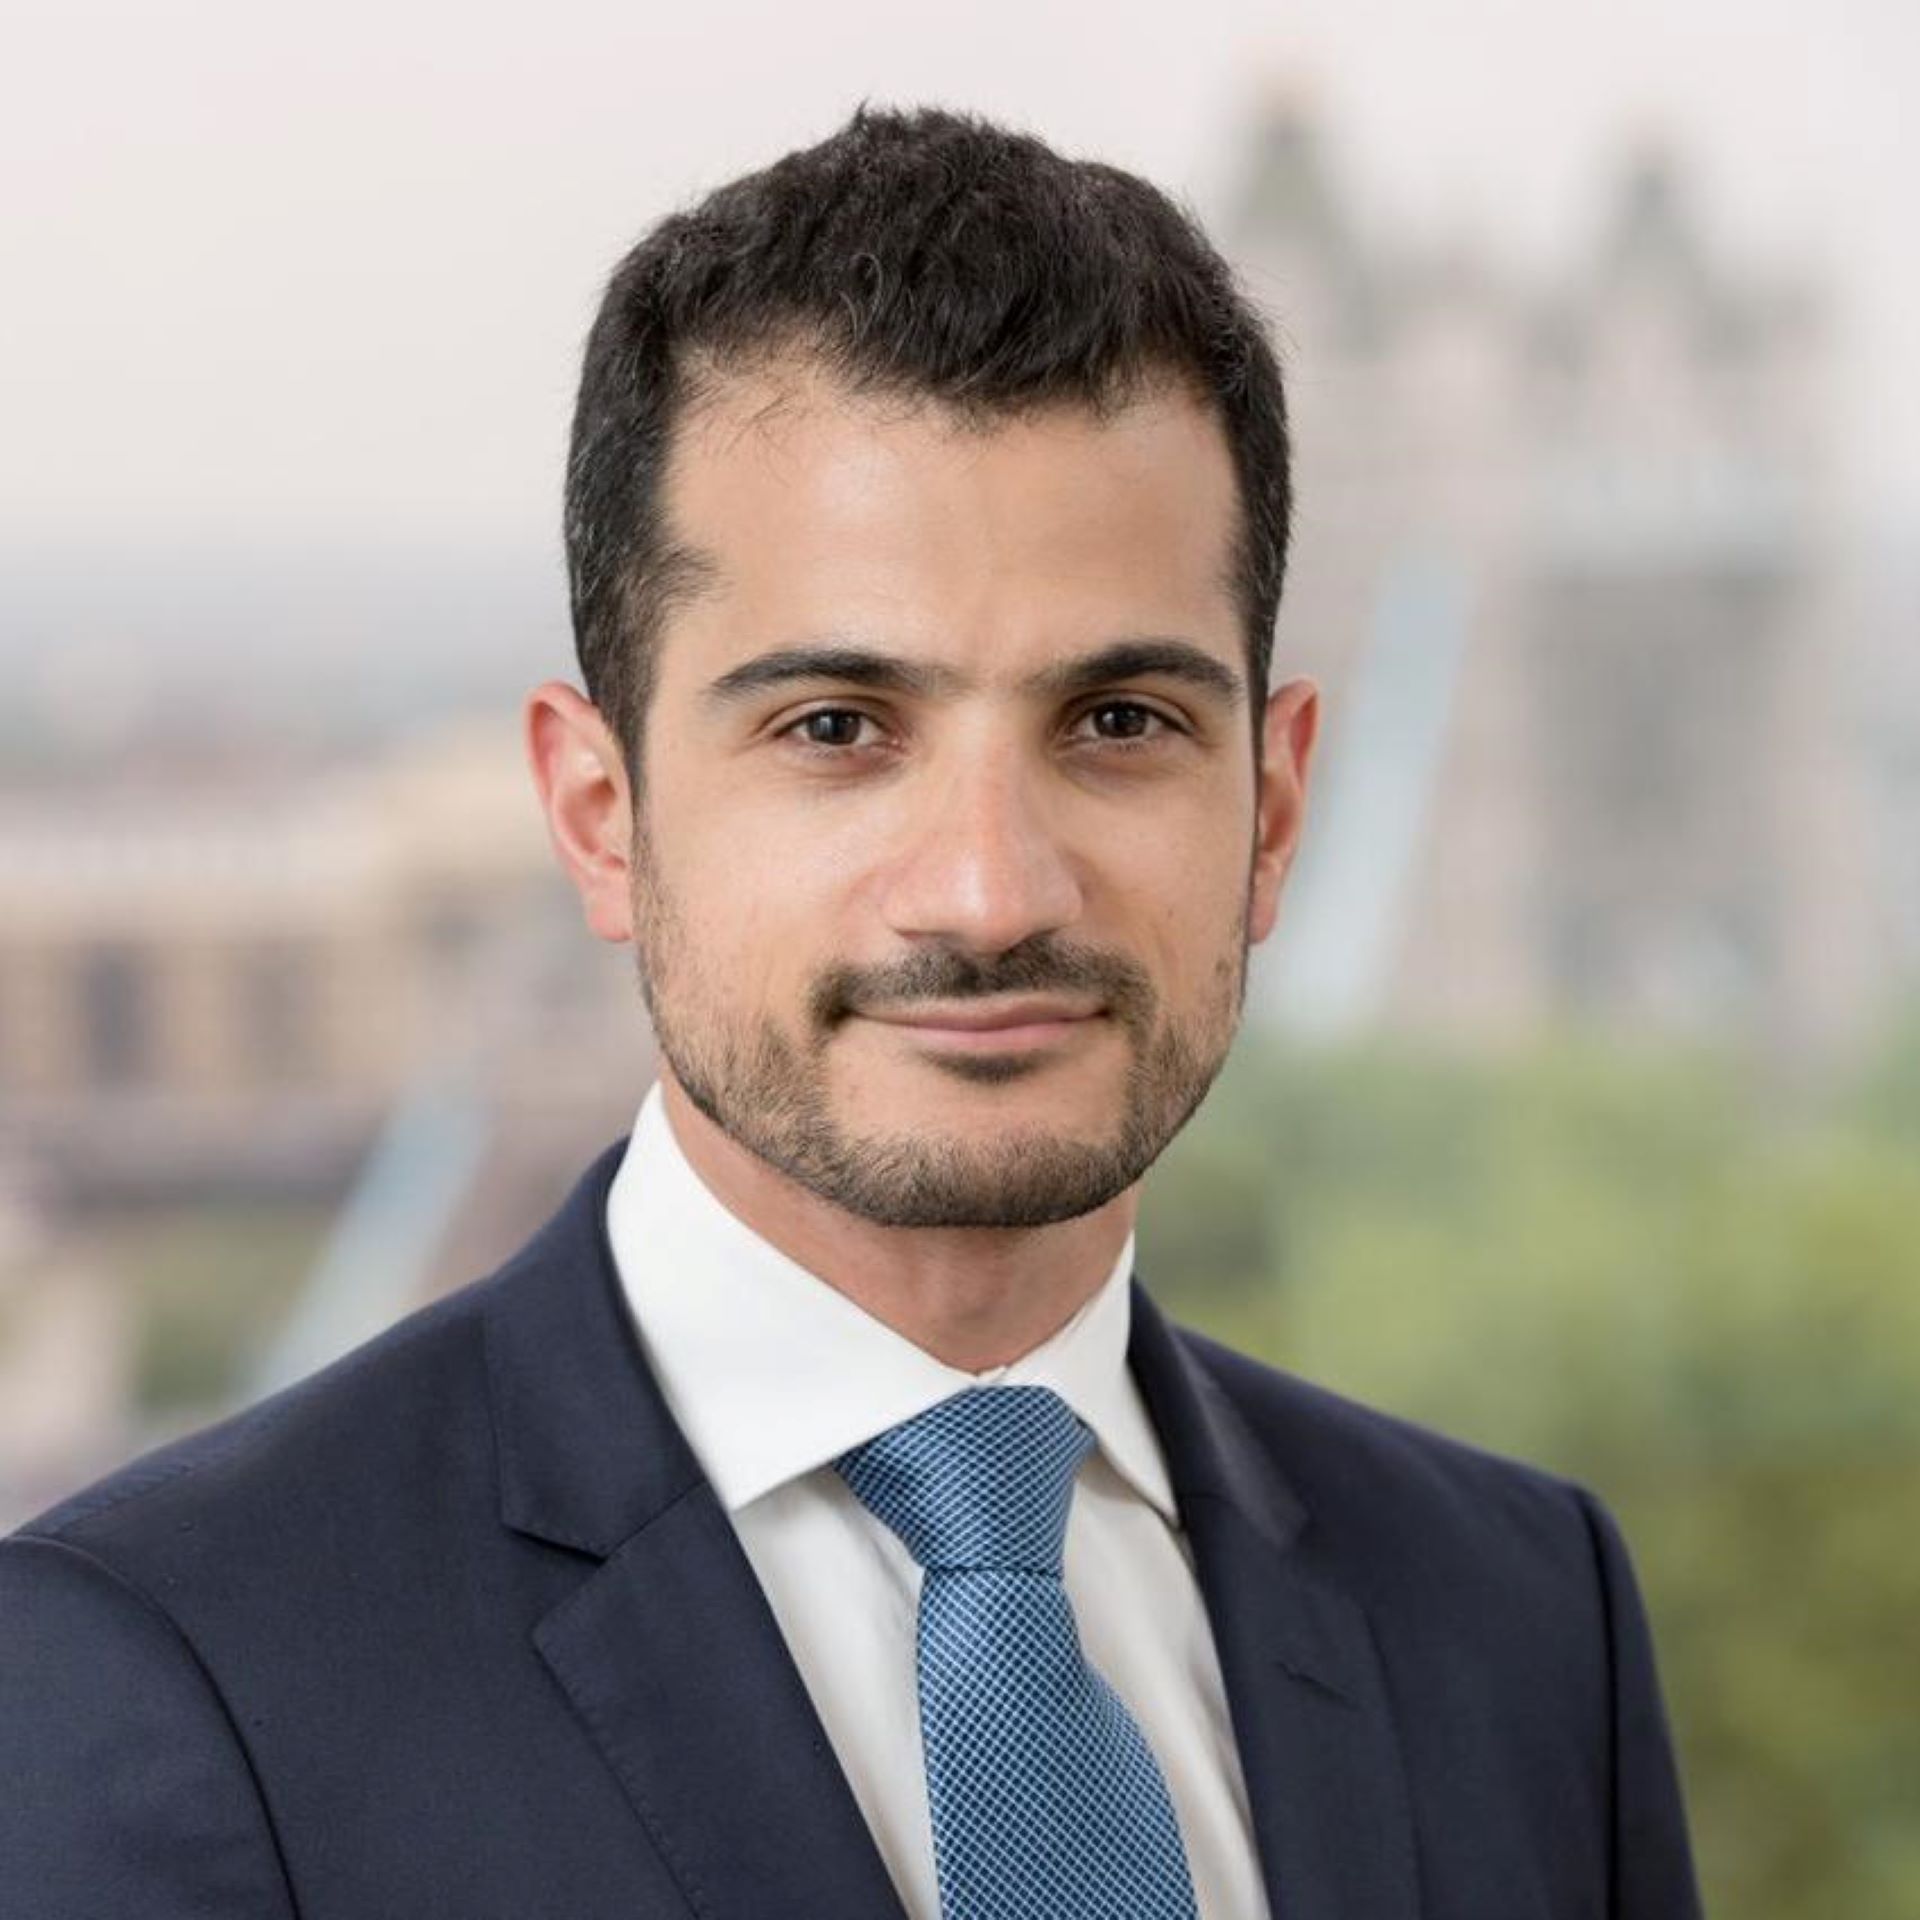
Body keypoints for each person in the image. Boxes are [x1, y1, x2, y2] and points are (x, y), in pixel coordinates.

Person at [0, 105, 1703, 1917]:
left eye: (1120, 723)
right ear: (600, 813)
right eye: (835, 729)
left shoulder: (1527, 1621)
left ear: (1276, 813)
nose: (989, 890)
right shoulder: (169, 1672)